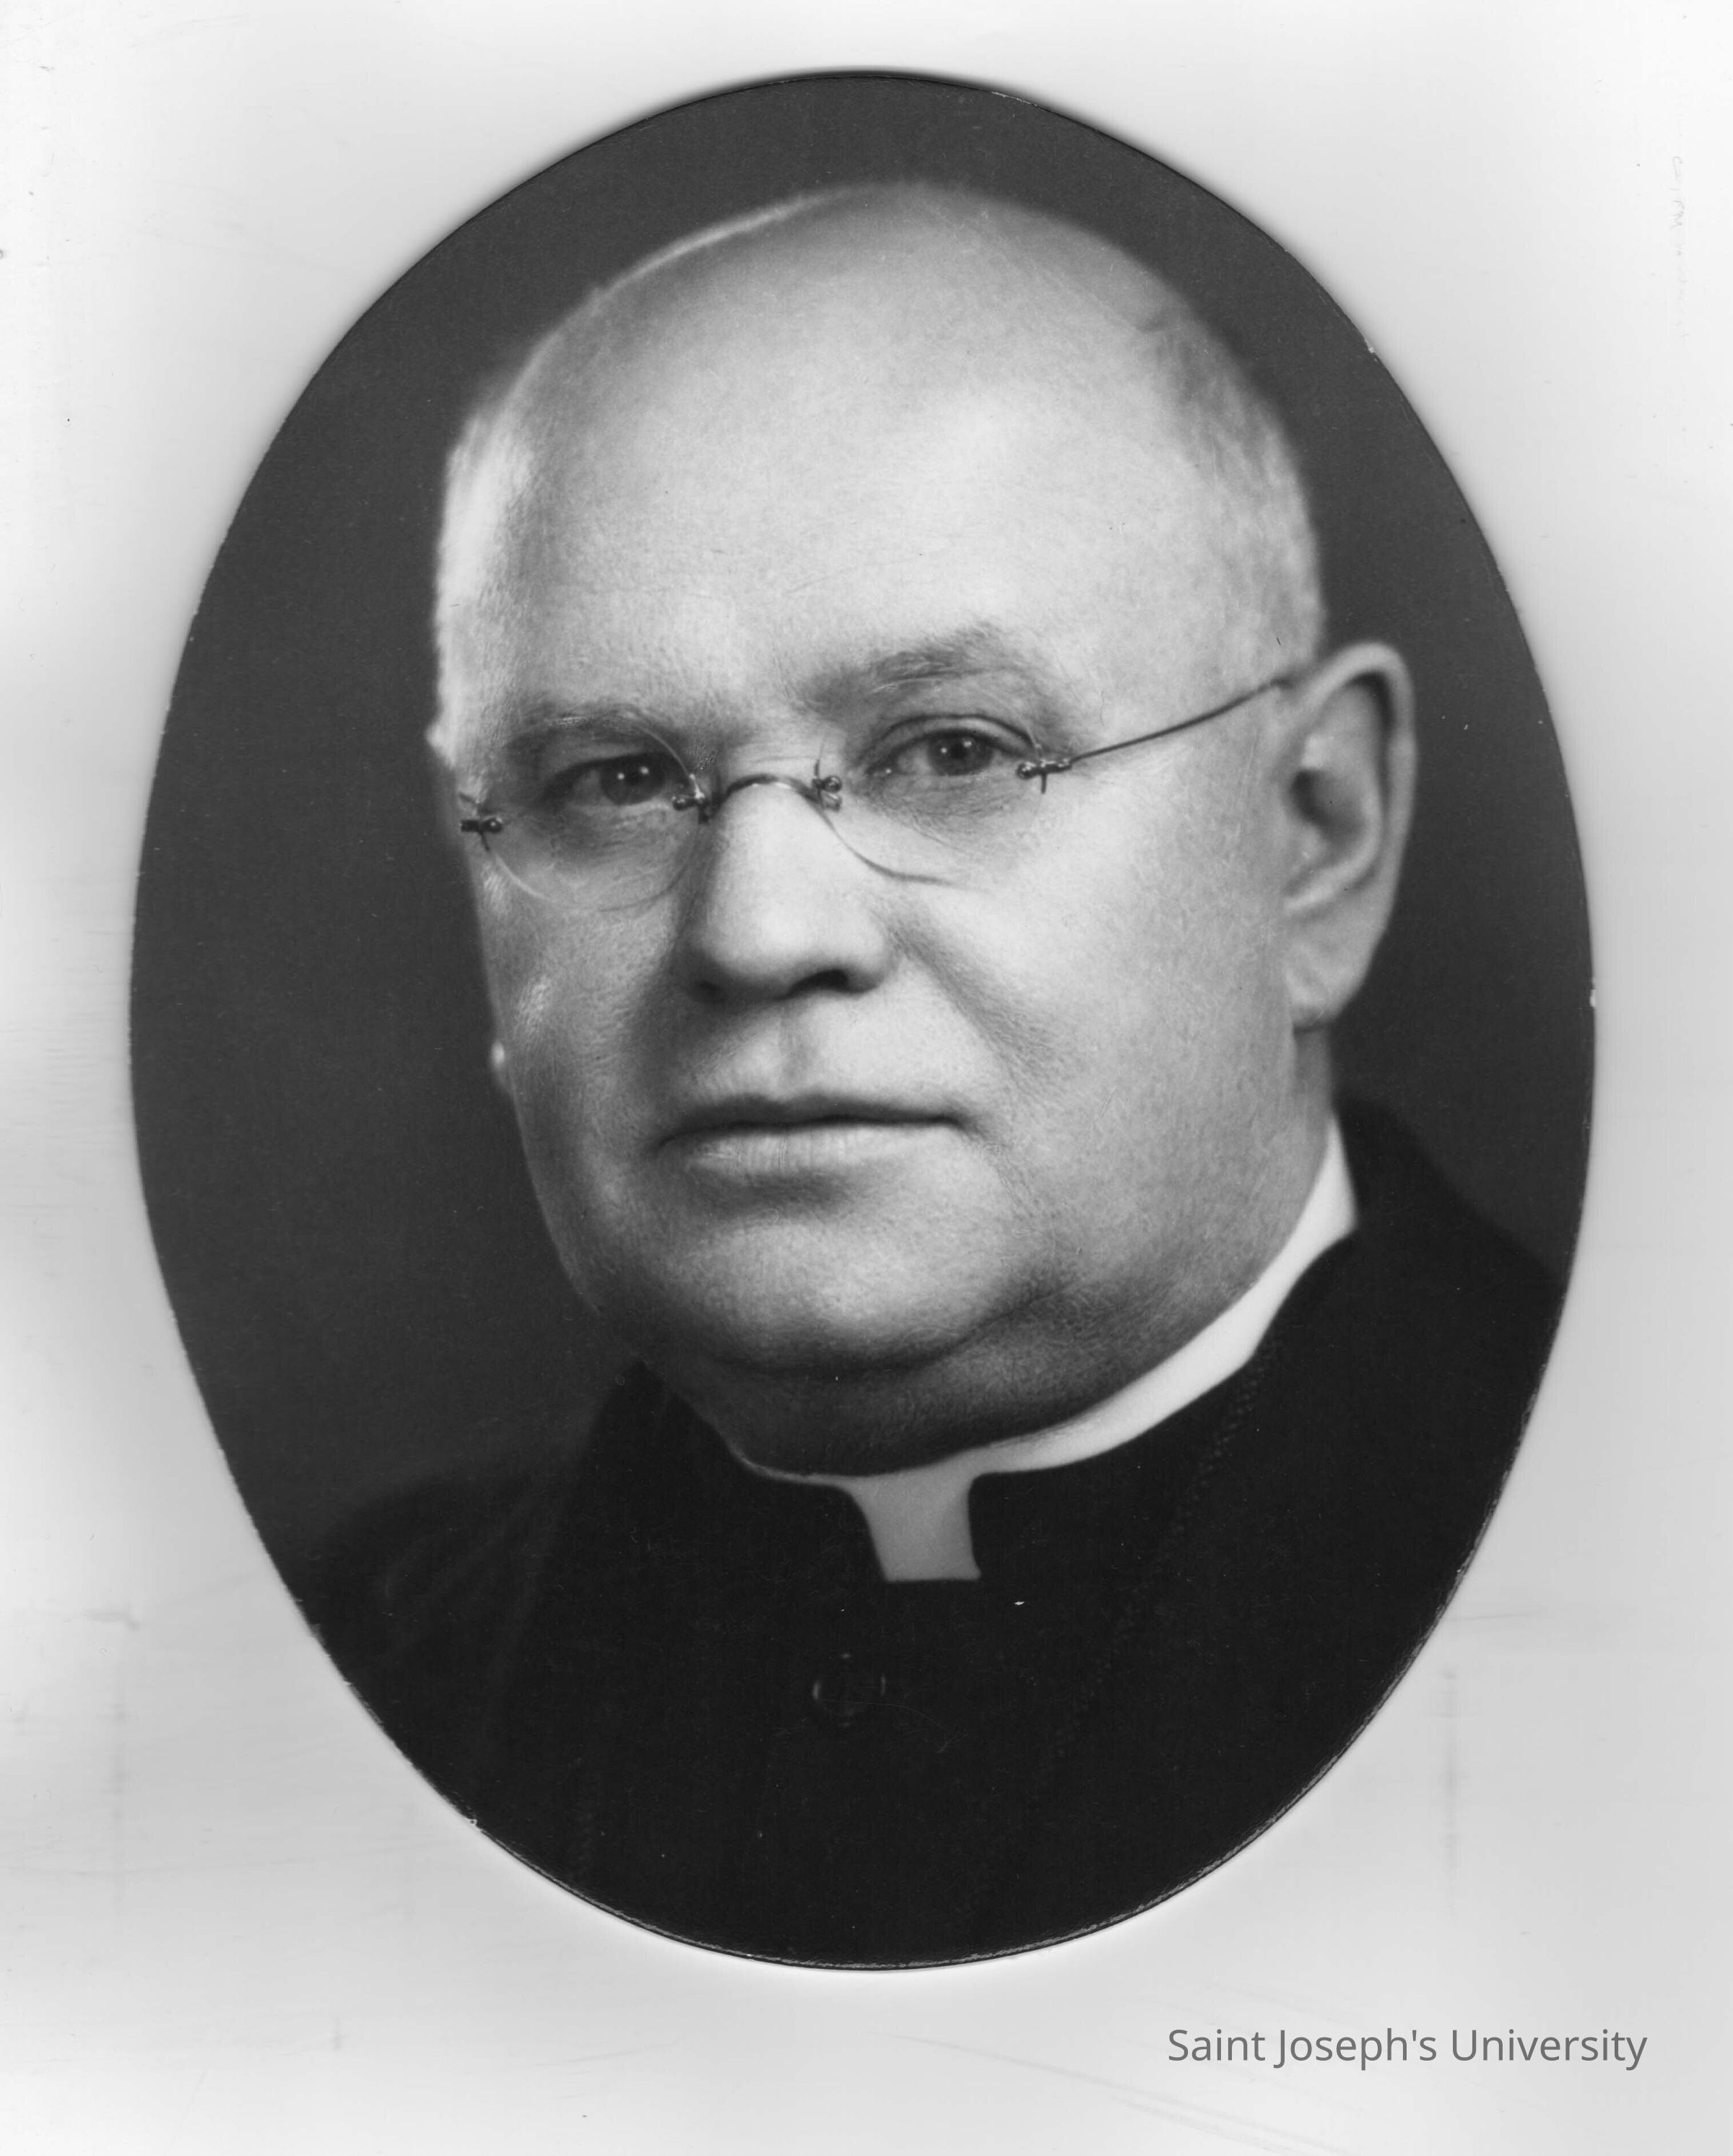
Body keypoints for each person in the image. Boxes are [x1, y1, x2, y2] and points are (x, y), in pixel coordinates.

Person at [310, 184, 1560, 1965]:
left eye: (954, 750)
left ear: (1314, 839)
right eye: (616, 779)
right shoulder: (314, 1696)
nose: (757, 930)